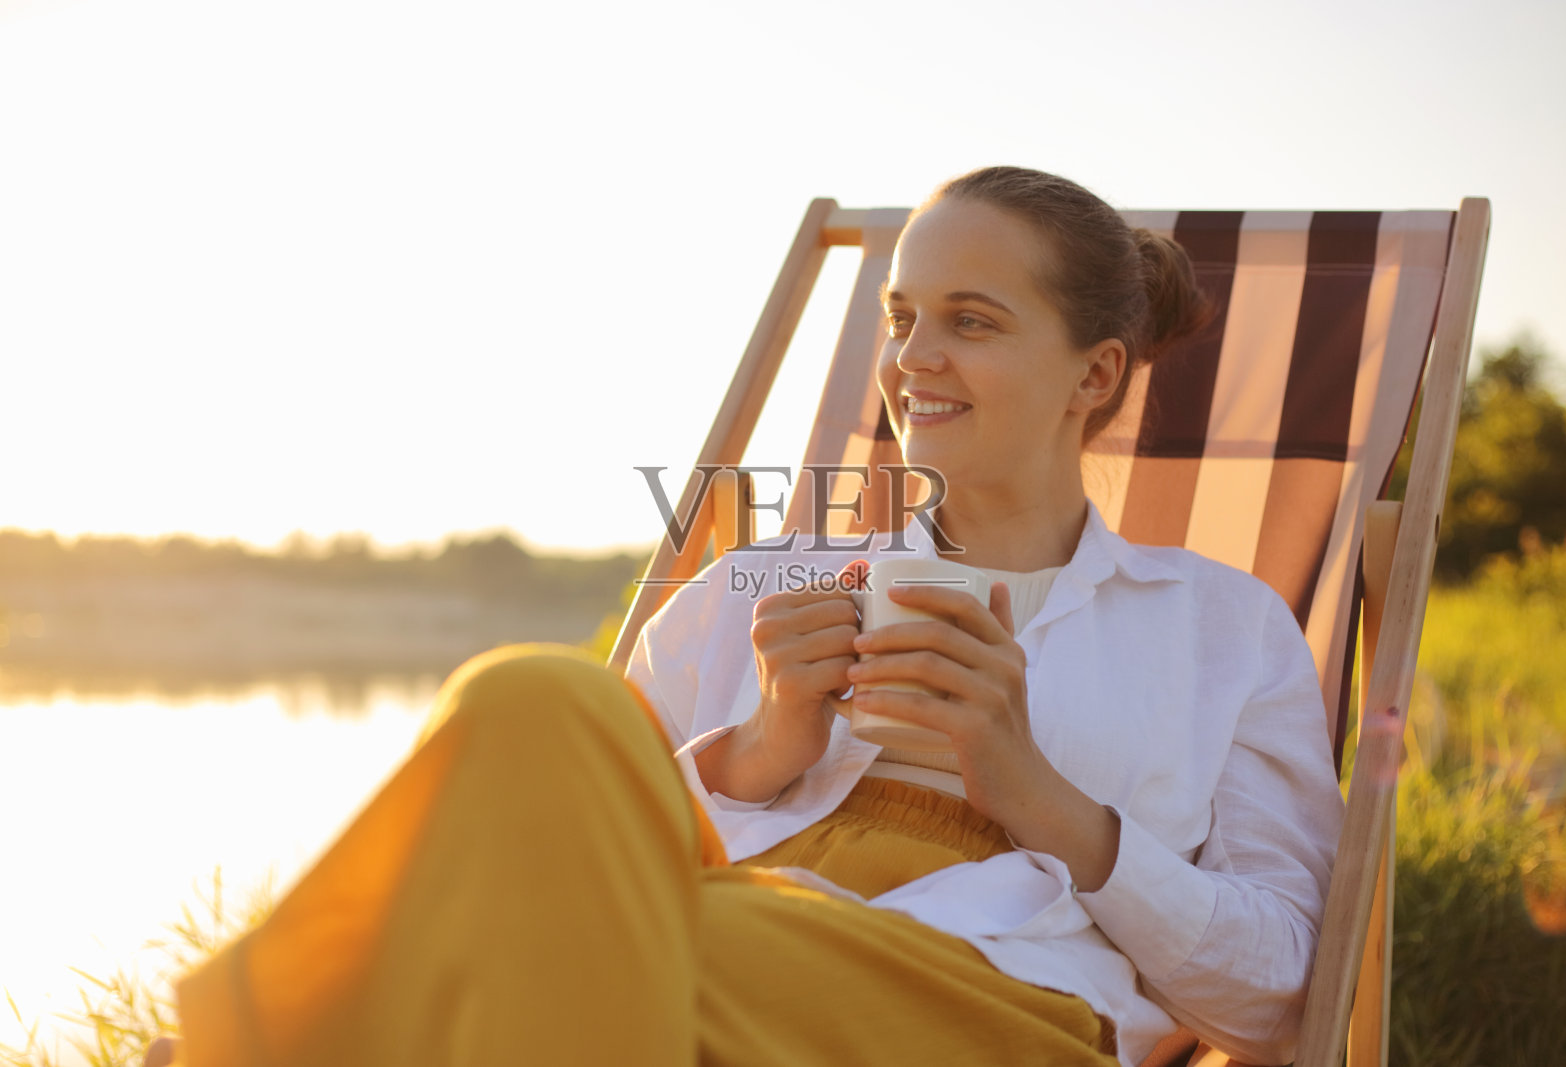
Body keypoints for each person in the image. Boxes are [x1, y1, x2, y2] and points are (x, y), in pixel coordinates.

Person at [160, 167, 1344, 1067]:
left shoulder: (1223, 629)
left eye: (970, 321)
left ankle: (260, 1033)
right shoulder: (768, 584)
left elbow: (1283, 994)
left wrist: (1038, 796)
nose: (912, 359)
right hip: (730, 919)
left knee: (586, 945)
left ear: (1093, 375)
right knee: (534, 691)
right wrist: (763, 745)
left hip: (993, 991)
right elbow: (592, 823)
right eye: (900, 314)